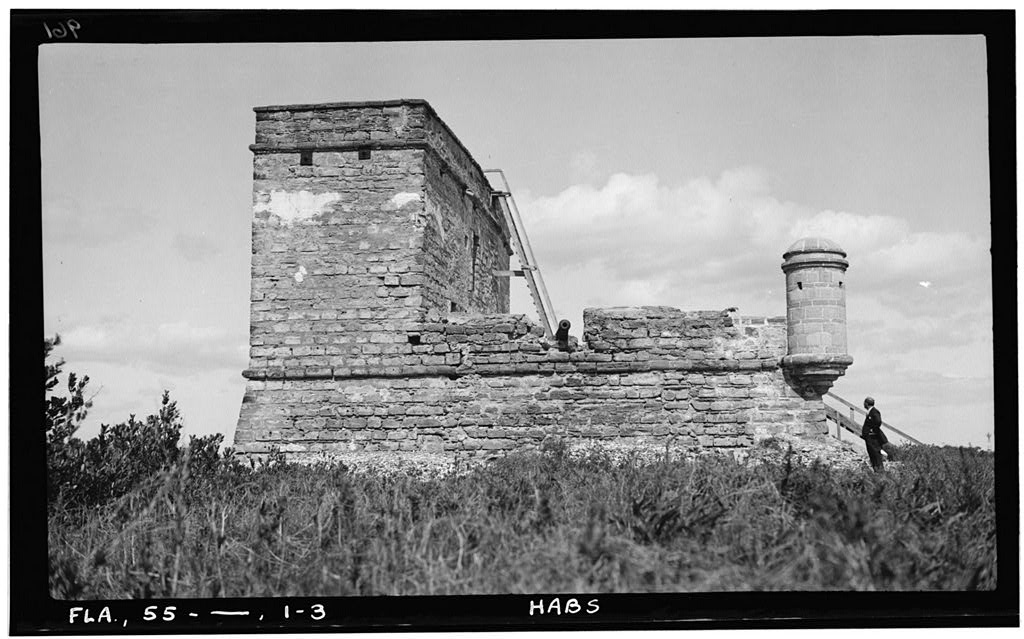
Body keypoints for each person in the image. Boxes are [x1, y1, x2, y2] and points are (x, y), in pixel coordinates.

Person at [861, 396, 886, 472]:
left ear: (866, 403)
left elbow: (878, 421)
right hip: (869, 437)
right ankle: (876, 470)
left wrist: (872, 430)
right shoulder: (870, 412)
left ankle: (880, 470)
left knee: (876, 454)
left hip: (873, 438)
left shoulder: (874, 412)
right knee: (872, 454)